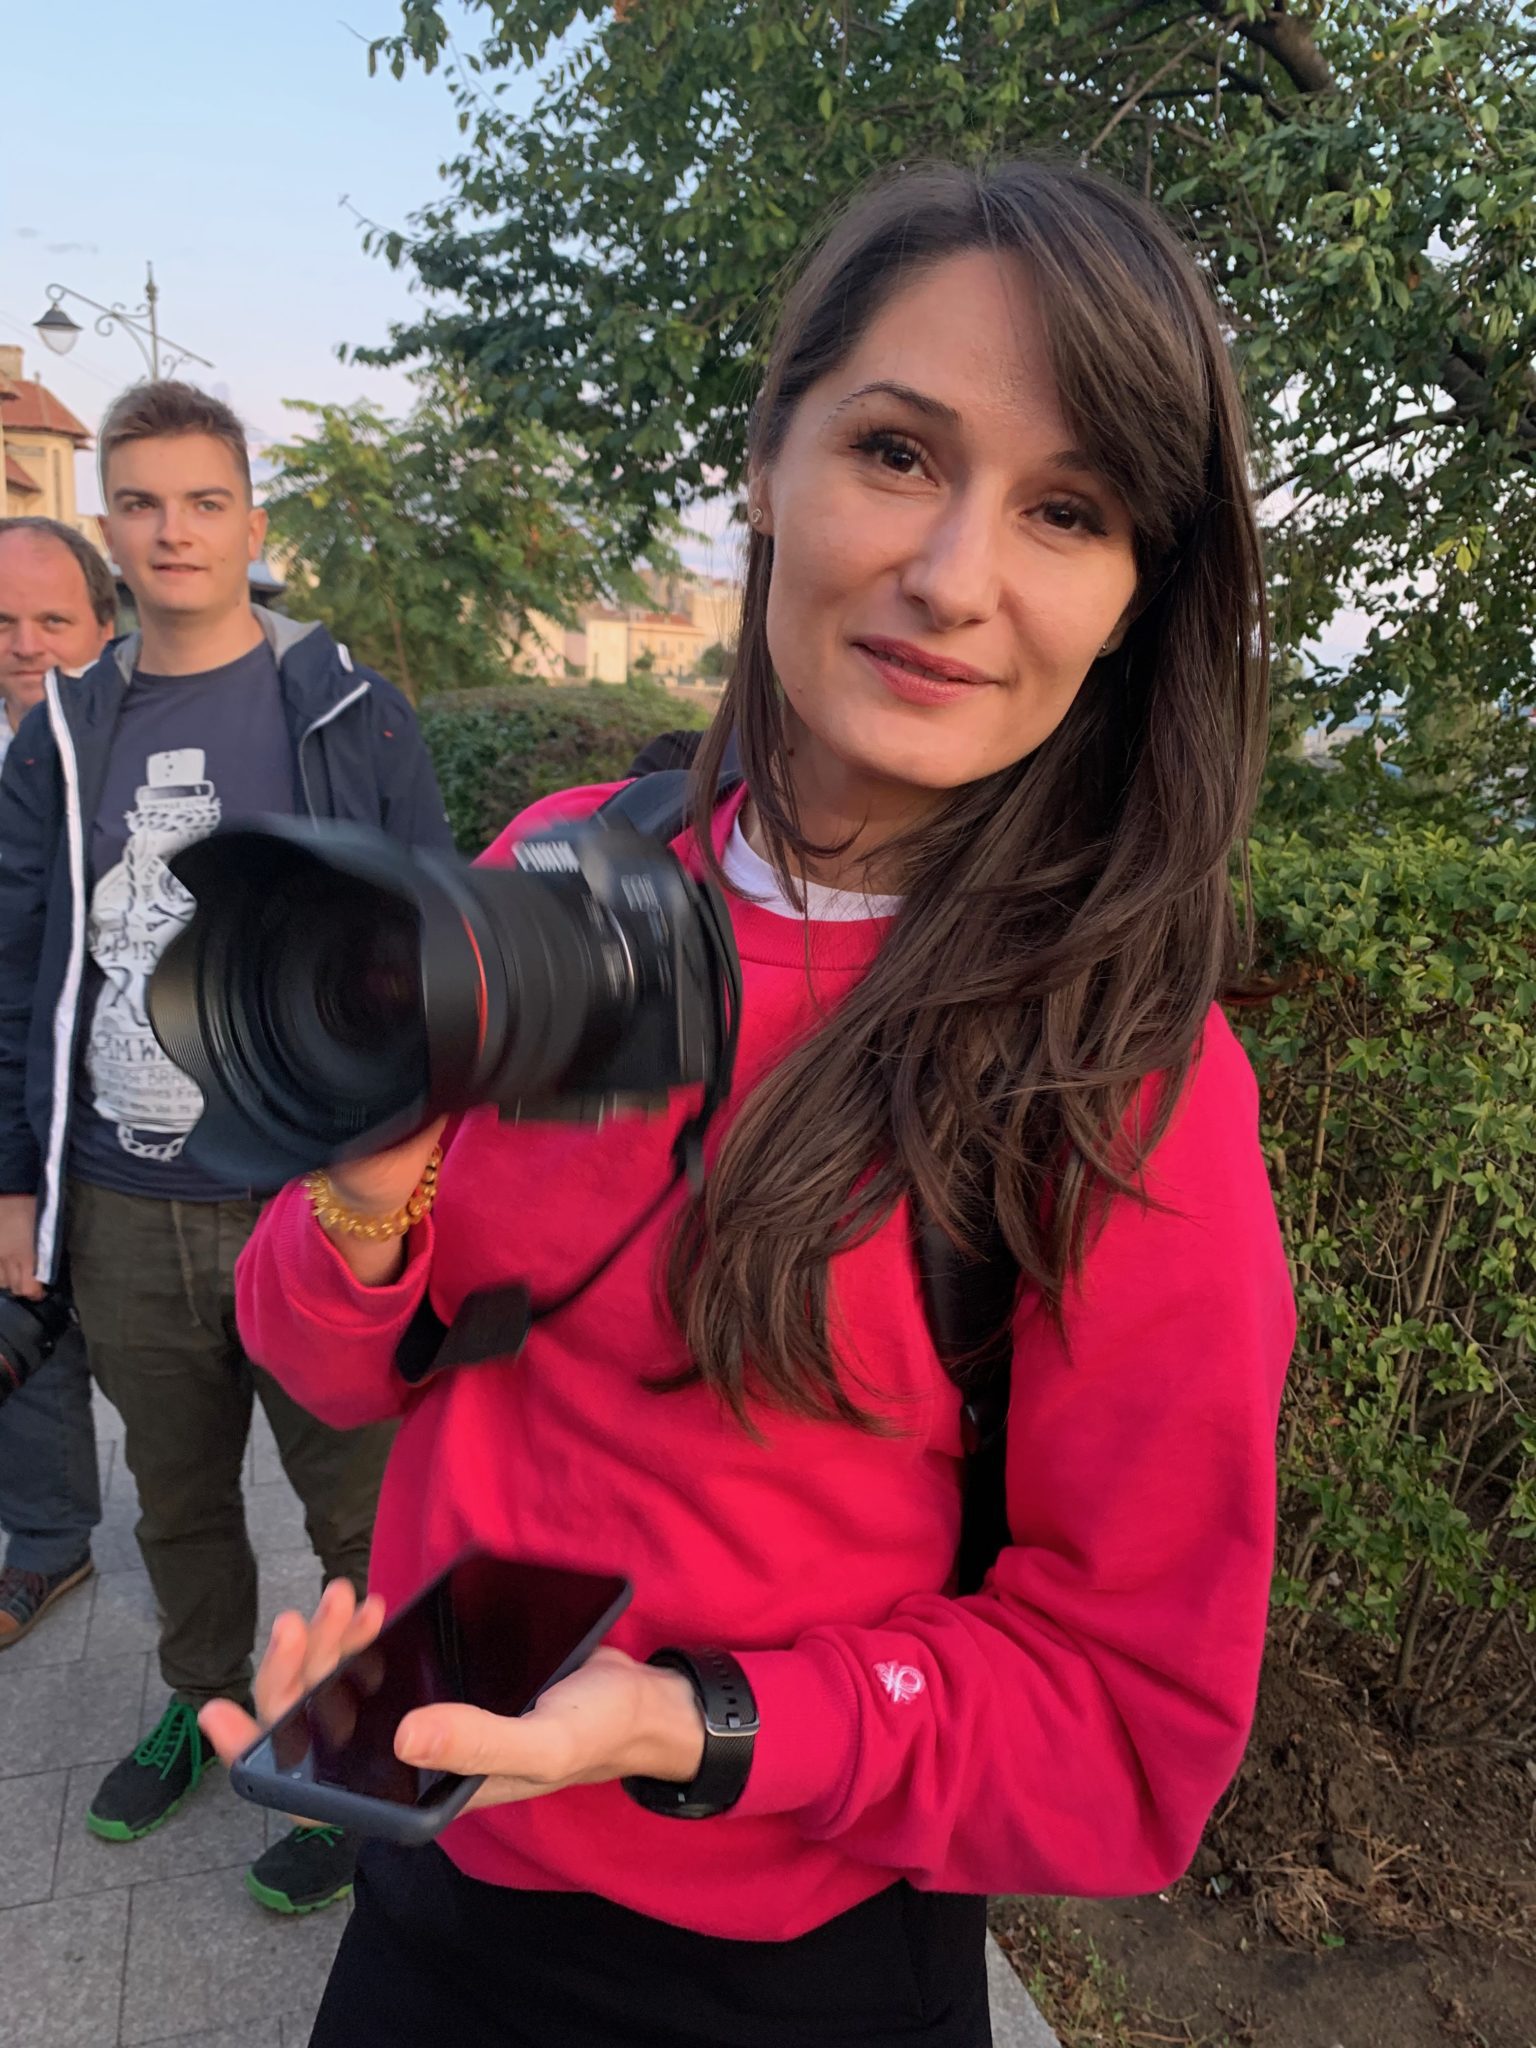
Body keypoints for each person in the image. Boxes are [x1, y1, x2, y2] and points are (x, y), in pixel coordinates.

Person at [208, 159, 1297, 2045]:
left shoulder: (1114, 1078)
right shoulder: (573, 866)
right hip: (436, 1869)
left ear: (1134, 599)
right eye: (896, 451)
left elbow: (1130, 1727)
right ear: (766, 466)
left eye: (1067, 510)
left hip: (791, 1965)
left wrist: (692, 1722)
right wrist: (370, 1179)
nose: (953, 575)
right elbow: (329, 1362)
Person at [0, 381, 456, 1915]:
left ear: (252, 523)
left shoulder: (346, 709)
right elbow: (15, 964)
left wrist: (405, 1175)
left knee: (358, 1507)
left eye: (204, 501)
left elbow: (434, 943)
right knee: (177, 1494)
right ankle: (203, 1702)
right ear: (109, 526)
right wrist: (14, 1180)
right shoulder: (62, 736)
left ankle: (364, 1757)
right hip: (126, 1199)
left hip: (314, 1199)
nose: (173, 530)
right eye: (140, 502)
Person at [0, 517, 116, 1647]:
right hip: (12, 1095)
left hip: (124, 1105)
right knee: (21, 1305)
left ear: (103, 628)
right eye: (2, 621)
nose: (25, 643)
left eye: (52, 619)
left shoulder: (140, 750)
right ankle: (46, 1540)